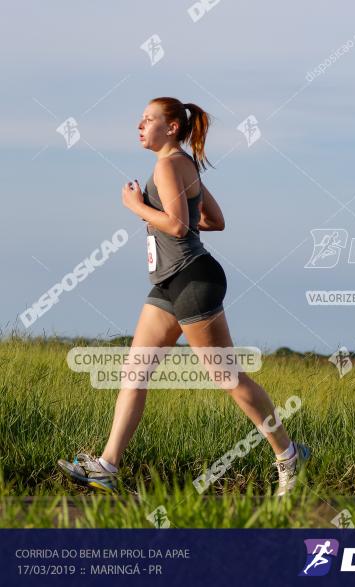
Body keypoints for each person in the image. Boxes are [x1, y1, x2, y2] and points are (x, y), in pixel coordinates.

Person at [57, 97, 308, 495]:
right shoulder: (184, 165)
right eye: (139, 120)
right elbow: (214, 220)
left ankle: (289, 455)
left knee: (226, 378)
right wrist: (175, 218)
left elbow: (176, 227)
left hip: (192, 280)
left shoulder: (169, 164)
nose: (139, 126)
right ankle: (107, 466)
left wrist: (137, 206)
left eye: (148, 120)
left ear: (171, 127)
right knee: (135, 373)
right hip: (170, 284)